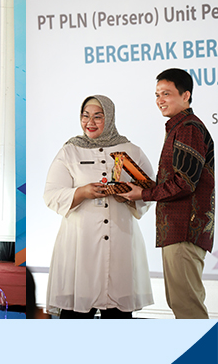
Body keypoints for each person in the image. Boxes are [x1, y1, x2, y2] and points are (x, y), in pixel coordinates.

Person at [44, 95, 154, 319]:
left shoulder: (131, 150)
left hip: (121, 241)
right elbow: (51, 194)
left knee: (118, 317)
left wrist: (129, 196)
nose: (90, 122)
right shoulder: (70, 151)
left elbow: (151, 190)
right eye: (85, 116)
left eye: (98, 116)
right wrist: (81, 192)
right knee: (76, 315)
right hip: (80, 243)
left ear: (110, 118)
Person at [121, 69, 214, 319]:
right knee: (181, 304)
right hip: (178, 230)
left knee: (187, 307)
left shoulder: (188, 128)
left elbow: (184, 183)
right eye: (157, 95)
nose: (160, 100)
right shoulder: (179, 127)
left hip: (184, 230)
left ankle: (202, 348)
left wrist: (144, 193)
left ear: (186, 95)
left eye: (166, 94)